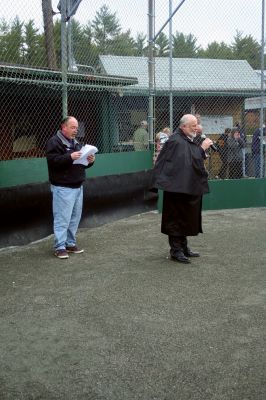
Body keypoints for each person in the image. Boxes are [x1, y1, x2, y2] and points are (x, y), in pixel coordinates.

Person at [150, 114, 214, 264]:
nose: (196, 128)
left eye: (196, 125)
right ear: (183, 126)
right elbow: (185, 161)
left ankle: (184, 247)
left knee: (185, 218)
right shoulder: (176, 141)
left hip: (184, 187)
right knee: (176, 219)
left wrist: (200, 150)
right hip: (176, 189)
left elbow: (190, 159)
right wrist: (202, 149)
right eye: (193, 126)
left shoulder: (184, 139)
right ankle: (176, 250)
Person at [46, 116, 95, 259]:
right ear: (64, 127)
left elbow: (81, 163)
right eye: (73, 127)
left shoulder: (76, 142)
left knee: (74, 218)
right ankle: (59, 247)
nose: (76, 130)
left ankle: (70, 244)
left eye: (77, 128)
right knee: (62, 218)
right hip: (63, 187)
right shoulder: (54, 142)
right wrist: (70, 157)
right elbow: (53, 161)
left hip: (78, 185)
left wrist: (90, 160)